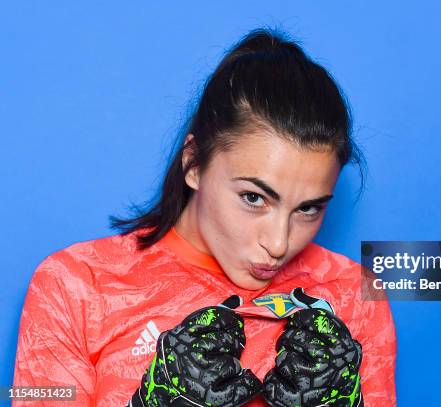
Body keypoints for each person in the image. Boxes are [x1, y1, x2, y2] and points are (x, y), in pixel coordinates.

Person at [13, 28, 397, 406]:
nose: (279, 243)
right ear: (194, 162)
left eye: (308, 208)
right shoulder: (78, 285)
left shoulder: (354, 293)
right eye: (253, 197)